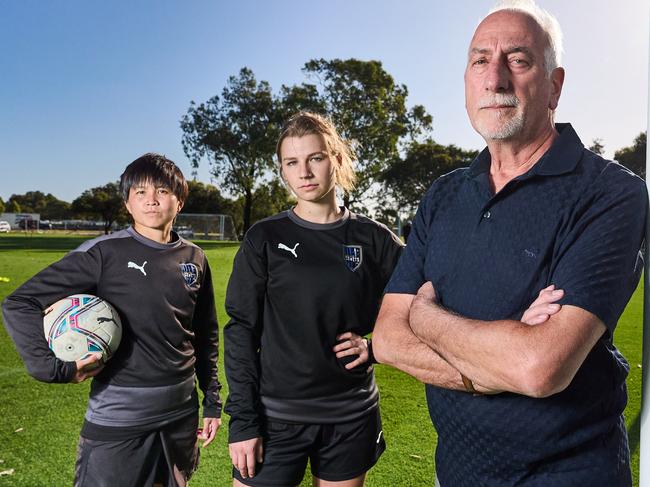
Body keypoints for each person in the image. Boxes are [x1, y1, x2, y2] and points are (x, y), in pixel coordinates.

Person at [372, 1, 648, 486]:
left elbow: (540, 367)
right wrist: (497, 360)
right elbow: (389, 339)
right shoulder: (443, 194)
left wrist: (425, 315)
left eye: (518, 60)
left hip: (568, 474)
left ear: (555, 85)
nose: (495, 78)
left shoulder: (610, 191)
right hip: (456, 472)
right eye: (480, 60)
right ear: (465, 80)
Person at [2, 153, 222, 487]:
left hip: (180, 413)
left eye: (162, 191)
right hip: (120, 417)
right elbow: (20, 302)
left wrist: (213, 402)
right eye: (140, 192)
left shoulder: (194, 258)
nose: (151, 199)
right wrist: (52, 368)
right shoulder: (104, 254)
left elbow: (205, 334)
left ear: (179, 201)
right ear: (127, 204)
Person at [223, 112, 403, 487]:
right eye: (292, 162)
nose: (304, 172)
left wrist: (377, 347)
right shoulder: (264, 238)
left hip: (351, 416)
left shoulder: (374, 239)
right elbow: (240, 331)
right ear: (283, 171)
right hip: (275, 418)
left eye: (315, 158)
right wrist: (243, 421)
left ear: (336, 160)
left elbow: (428, 294)